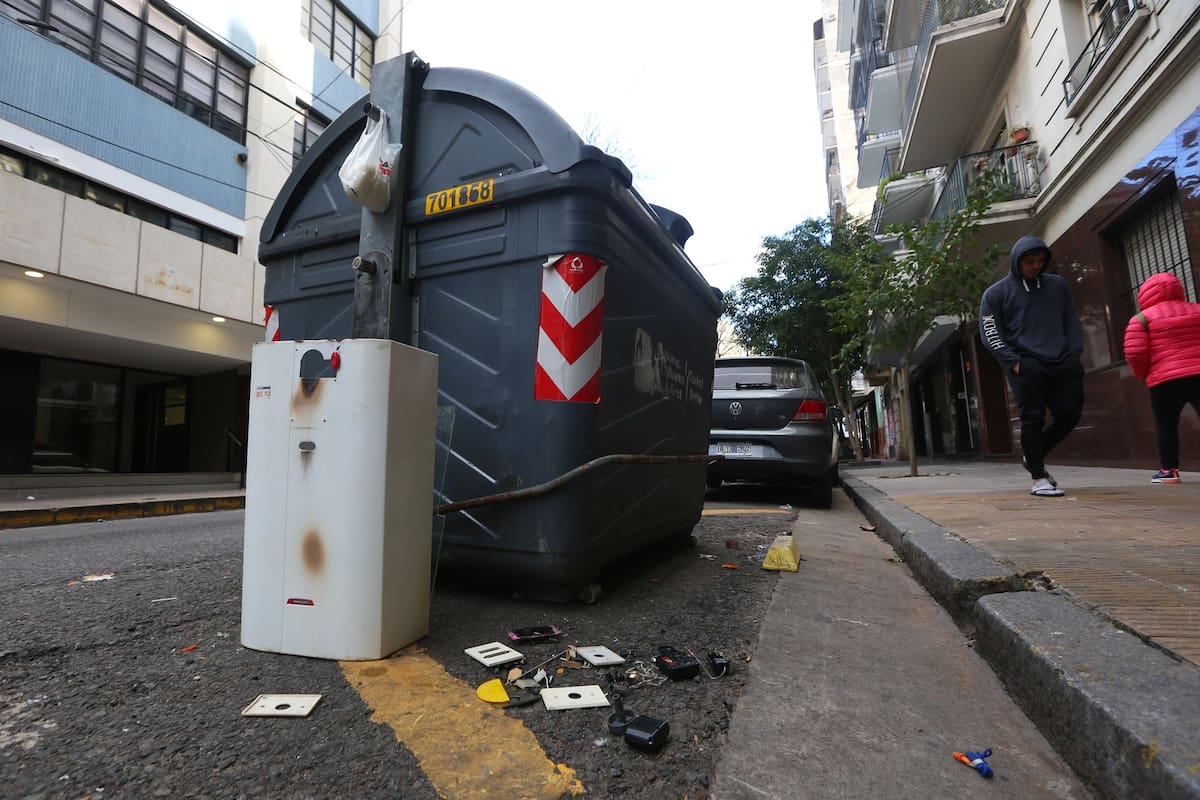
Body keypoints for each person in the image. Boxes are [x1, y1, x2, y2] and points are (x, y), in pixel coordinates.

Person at [979, 235, 1084, 496]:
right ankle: (1039, 478)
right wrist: (1013, 361)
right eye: (1029, 261)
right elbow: (989, 331)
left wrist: (1073, 354)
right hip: (1026, 365)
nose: (1035, 266)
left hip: (1063, 362)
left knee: (1070, 413)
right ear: (1017, 262)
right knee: (1032, 420)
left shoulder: (1057, 286)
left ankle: (1033, 457)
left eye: (1039, 261)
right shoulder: (996, 294)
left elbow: (1070, 318)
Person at [1122, 272, 1200, 484]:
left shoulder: (1141, 319)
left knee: (1166, 425)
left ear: (1145, 295)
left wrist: (1143, 373)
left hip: (1164, 381)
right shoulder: (1197, 310)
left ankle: (1169, 470)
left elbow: (1135, 352)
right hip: (1198, 373)